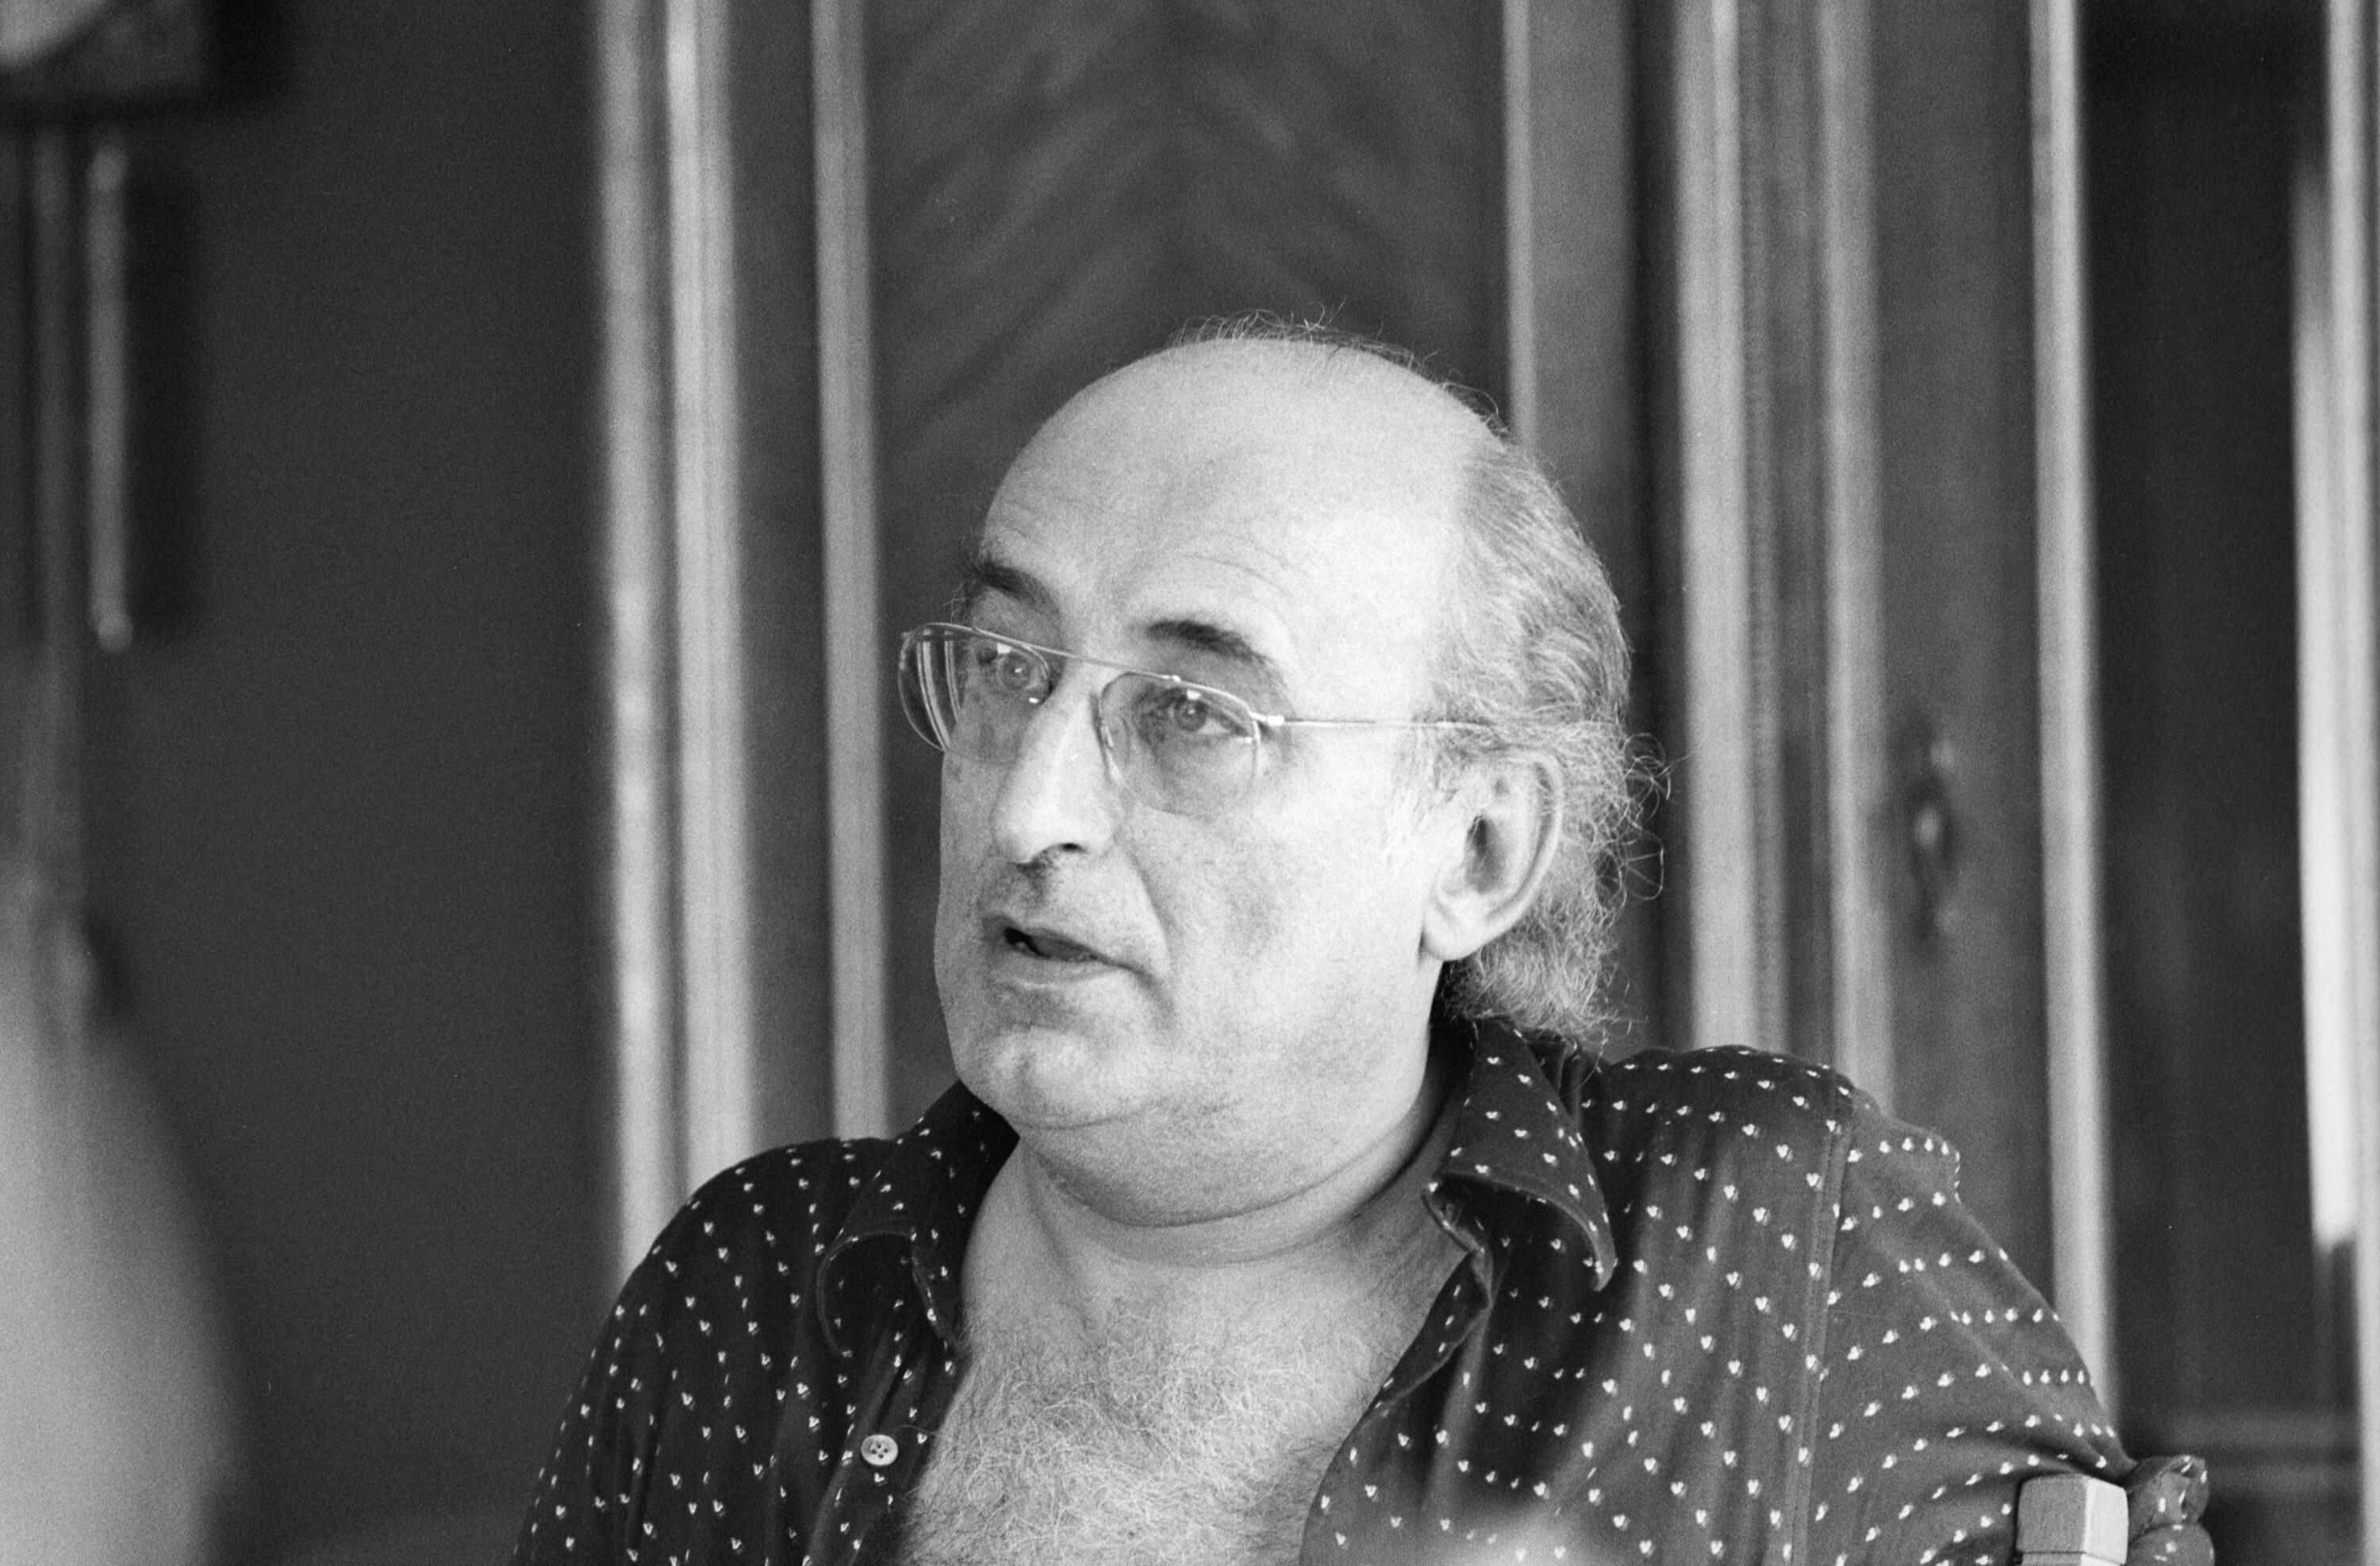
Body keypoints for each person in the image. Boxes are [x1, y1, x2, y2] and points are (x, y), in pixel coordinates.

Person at [513, 324, 2209, 1565]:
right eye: (1010, 670)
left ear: (1476, 850)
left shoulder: (1758, 1236)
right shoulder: (756, 1289)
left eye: (1192, 711)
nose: (1031, 806)